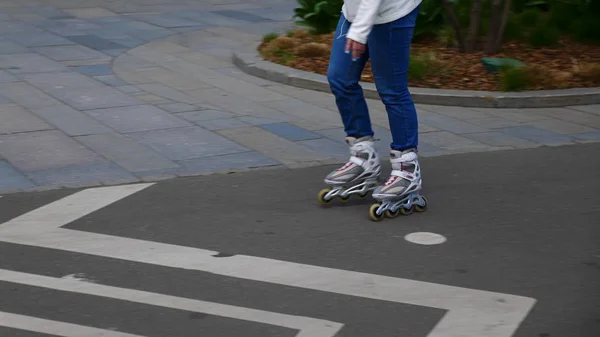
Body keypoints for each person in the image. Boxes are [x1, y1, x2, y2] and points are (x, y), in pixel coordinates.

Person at [321, 0, 427, 219]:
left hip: (392, 11)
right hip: (355, 11)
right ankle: (363, 155)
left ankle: (407, 169)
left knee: (391, 90)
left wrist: (359, 31)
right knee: (340, 78)